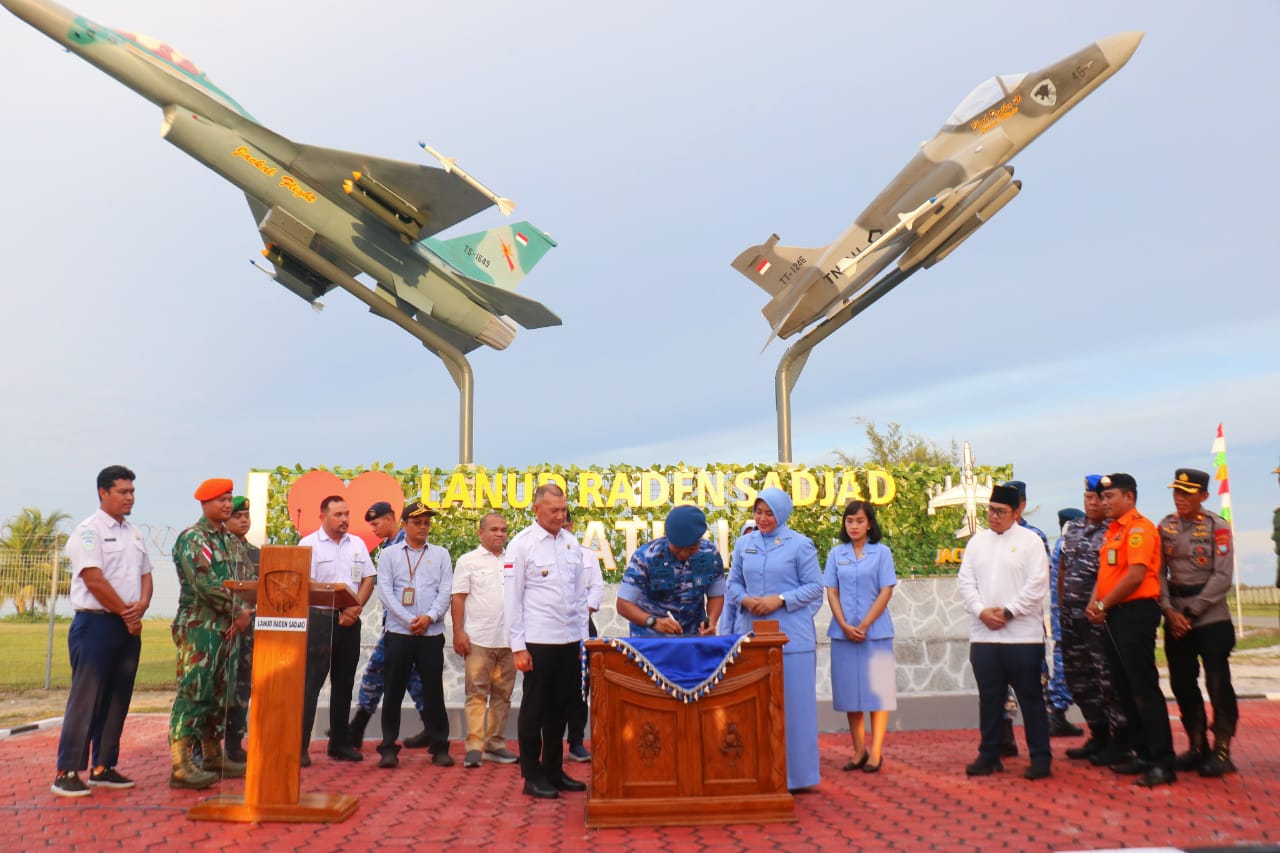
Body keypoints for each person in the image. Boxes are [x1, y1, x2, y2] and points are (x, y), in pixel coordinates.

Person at [52, 465, 154, 798]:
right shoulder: (88, 532)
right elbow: (93, 579)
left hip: (128, 625)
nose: (130, 497)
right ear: (103, 492)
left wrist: (141, 606)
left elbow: (146, 575)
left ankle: (103, 766)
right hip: (96, 624)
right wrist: (126, 613)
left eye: (132, 491)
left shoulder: (134, 533)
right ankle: (67, 771)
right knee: (87, 698)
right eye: (123, 492)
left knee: (117, 697)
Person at [725, 487, 823, 791]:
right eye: (758, 512)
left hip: (792, 638)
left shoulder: (800, 545)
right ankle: (758, 773)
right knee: (754, 708)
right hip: (752, 635)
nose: (763, 518)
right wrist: (745, 600)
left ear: (782, 514)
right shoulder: (744, 544)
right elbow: (733, 583)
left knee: (794, 709)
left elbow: (815, 587)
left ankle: (797, 778)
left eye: (769, 513)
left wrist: (779, 599)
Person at [1085, 473, 1176, 787]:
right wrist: (1095, 602)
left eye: (1110, 496)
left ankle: (1162, 761)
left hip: (1135, 613)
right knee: (1124, 688)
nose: (1104, 502)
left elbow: (1136, 575)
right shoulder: (1113, 531)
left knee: (1143, 688)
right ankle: (1142, 753)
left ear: (1130, 497)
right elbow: (1106, 573)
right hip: (1114, 614)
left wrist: (1103, 604)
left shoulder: (1139, 529)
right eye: (1102, 497)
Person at [957, 483, 1051, 780]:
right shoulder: (977, 542)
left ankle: (1040, 757)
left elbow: (1037, 585)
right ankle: (989, 754)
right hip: (984, 635)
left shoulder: (1030, 541)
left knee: (1030, 698)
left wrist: (1009, 611)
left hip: (1022, 637)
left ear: (1016, 512)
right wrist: (981, 611)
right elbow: (965, 583)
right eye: (990, 510)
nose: (993, 516)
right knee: (990, 698)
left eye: (1000, 511)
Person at [504, 483, 589, 800]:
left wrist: (583, 641)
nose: (560, 515)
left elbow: (579, 597)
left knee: (561, 709)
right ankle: (532, 774)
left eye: (563, 510)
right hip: (538, 641)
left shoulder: (570, 542)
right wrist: (518, 646)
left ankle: (553, 770)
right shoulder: (521, 545)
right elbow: (512, 600)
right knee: (534, 710)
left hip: (569, 641)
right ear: (536, 510)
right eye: (553, 510)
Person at [169, 478, 250, 788]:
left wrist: (241, 614)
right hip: (200, 628)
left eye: (229, 499)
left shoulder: (230, 540)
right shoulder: (193, 538)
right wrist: (238, 611)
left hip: (228, 628)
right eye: (221, 500)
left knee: (219, 694)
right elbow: (204, 583)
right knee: (195, 691)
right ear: (205, 504)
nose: (227, 505)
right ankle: (181, 764)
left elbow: (244, 580)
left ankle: (212, 755)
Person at [1158, 468, 1238, 777]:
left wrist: (1191, 614)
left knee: (1217, 684)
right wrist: (1169, 611)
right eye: (1176, 492)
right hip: (1176, 615)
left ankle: (1222, 749)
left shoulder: (1218, 527)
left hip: (1210, 617)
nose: (1179, 498)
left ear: (1203, 496)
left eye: (1187, 493)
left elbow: (1223, 577)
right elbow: (1158, 573)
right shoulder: (1165, 526)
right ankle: (1196, 745)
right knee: (1181, 682)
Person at [374, 500, 454, 769]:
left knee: (433, 691)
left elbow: (445, 591)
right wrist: (410, 620)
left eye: (426, 523)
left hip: (431, 634)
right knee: (393, 691)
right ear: (404, 525)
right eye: (417, 522)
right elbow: (385, 592)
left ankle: (440, 746)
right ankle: (388, 747)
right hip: (399, 633)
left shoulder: (441, 554)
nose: (423, 527)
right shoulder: (389, 554)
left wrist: (429, 617)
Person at [1059, 476, 1130, 767]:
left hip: (1099, 619)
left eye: (1097, 498)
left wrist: (1100, 605)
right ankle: (1098, 734)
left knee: (1107, 680)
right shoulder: (1073, 528)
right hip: (1071, 618)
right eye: (1087, 497)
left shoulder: (1114, 531)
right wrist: (1062, 605)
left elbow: (1114, 574)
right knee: (1078, 679)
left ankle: (1121, 739)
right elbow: (1063, 567)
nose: (1091, 503)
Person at [300, 495, 375, 765]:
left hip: (350, 621)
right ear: (323, 517)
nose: (344, 519)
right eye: (338, 515)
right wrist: (335, 601)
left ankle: (339, 744)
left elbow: (368, 578)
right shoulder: (308, 544)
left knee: (344, 684)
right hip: (320, 620)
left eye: (346, 514)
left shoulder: (357, 543)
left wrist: (354, 608)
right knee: (310, 685)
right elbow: (306, 583)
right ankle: (300, 747)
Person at [824, 500, 896, 774]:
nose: (853, 526)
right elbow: (831, 591)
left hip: (876, 634)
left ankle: (876, 752)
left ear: (869, 524)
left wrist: (864, 624)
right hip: (843, 634)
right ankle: (858, 751)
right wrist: (843, 624)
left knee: (878, 693)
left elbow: (886, 591)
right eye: (849, 521)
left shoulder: (882, 553)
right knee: (850, 694)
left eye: (859, 521)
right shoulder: (836, 554)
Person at [350, 501, 429, 750]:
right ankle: (432, 727)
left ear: (389, 519)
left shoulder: (408, 545)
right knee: (411, 678)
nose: (373, 529)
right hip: (396, 625)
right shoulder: (389, 546)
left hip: (407, 625)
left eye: (376, 524)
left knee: (377, 672)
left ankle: (357, 728)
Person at [451, 512, 519, 769]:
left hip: (510, 639)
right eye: (494, 529)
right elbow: (458, 598)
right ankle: (473, 747)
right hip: (478, 638)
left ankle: (495, 745)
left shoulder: (515, 560)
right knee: (476, 694)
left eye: (503, 529)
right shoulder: (467, 561)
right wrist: (458, 632)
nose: (500, 533)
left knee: (503, 695)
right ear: (480, 533)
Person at [616, 504, 725, 636]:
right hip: (650, 638)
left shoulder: (709, 555)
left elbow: (716, 596)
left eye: (691, 549)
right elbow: (623, 604)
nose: (684, 554)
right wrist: (653, 622)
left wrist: (711, 621)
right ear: (668, 538)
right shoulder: (646, 557)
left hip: (693, 637)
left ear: (700, 540)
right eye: (678, 549)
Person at [564, 510, 604, 763]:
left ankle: (576, 742)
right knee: (551, 687)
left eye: (565, 522)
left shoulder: (586, 555)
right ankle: (546, 742)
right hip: (550, 628)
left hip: (583, 625)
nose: (562, 527)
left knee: (581, 685)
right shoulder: (535, 552)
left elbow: (597, 587)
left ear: (572, 525)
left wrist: (583, 609)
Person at [224, 495, 258, 764]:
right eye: (238, 516)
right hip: (224, 628)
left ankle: (235, 743)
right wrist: (235, 614)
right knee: (219, 687)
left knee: (242, 687)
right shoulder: (219, 549)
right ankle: (205, 747)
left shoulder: (257, 553)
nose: (244, 520)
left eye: (246, 516)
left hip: (249, 631)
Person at [1046, 507, 1085, 738]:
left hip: (1063, 616)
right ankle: (1057, 713)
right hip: (1068, 617)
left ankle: (1057, 713)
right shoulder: (1067, 546)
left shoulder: (1061, 545)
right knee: (1065, 665)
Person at [716, 520, 756, 635]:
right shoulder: (735, 576)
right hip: (741, 635)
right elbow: (728, 611)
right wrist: (725, 639)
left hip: (771, 633)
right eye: (747, 537)